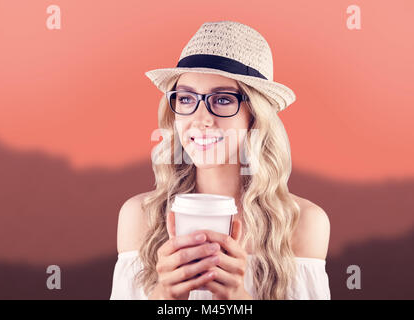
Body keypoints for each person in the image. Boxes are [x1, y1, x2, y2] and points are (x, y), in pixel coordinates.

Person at [110, 20, 331, 300]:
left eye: (223, 100)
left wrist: (237, 299)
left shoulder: (303, 223)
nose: (201, 119)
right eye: (187, 99)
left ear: (255, 116)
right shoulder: (141, 217)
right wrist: (164, 295)